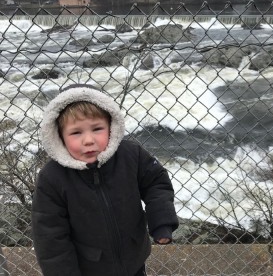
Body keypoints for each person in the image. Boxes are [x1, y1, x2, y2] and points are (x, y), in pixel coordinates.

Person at [32, 84, 179, 276]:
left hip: (134, 260)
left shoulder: (131, 155)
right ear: (59, 136)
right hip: (89, 269)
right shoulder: (52, 178)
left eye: (97, 128)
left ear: (111, 126)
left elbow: (156, 183)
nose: (88, 140)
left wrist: (161, 221)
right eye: (76, 132)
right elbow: (50, 237)